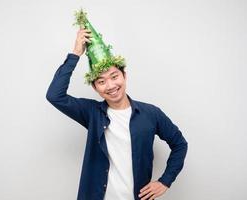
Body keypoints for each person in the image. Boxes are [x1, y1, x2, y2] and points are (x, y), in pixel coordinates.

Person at [46, 28, 188, 200]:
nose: (111, 85)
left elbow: (179, 144)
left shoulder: (151, 114)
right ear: (95, 88)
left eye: (114, 76)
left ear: (124, 76)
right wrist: (76, 53)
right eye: (101, 81)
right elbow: (55, 95)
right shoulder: (92, 113)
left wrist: (165, 181)